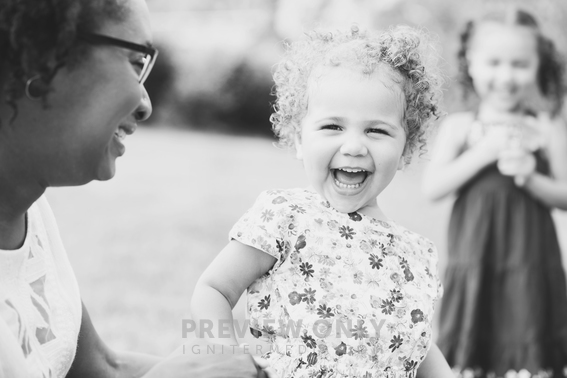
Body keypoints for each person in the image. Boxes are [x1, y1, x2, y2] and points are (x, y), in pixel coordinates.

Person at [0, 1, 264, 377]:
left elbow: (104, 368)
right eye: (135, 62)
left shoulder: (30, 211)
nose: (146, 105)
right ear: (41, 58)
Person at [190, 26, 453, 378]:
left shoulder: (415, 255)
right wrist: (226, 356)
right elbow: (213, 290)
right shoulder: (285, 217)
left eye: (376, 130)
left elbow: (415, 346)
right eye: (332, 127)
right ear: (299, 139)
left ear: (406, 149)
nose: (354, 146)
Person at [422, 8, 567, 378]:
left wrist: (530, 176)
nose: (505, 76)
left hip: (530, 266)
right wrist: (483, 153)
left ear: (537, 64)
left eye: (519, 64)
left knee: (528, 356)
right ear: (471, 62)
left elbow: (565, 195)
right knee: (472, 361)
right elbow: (432, 188)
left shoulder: (545, 128)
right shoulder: (460, 128)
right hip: (476, 260)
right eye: (494, 62)